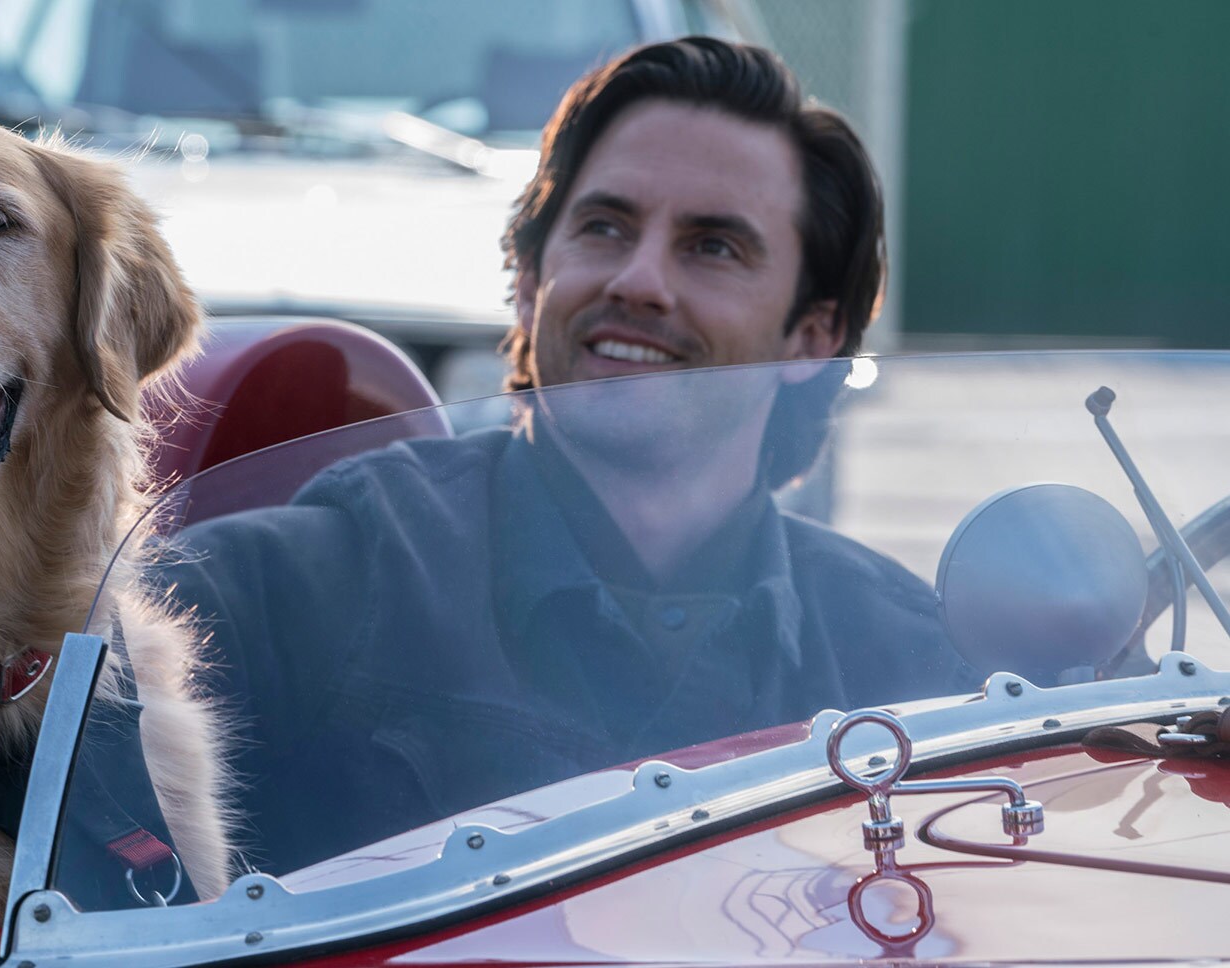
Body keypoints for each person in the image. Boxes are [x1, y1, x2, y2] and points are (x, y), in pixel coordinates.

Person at [147, 38, 974, 874]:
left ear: (814, 335)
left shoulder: (910, 665)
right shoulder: (317, 581)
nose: (639, 280)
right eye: (605, 227)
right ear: (531, 277)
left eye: (713, 246)